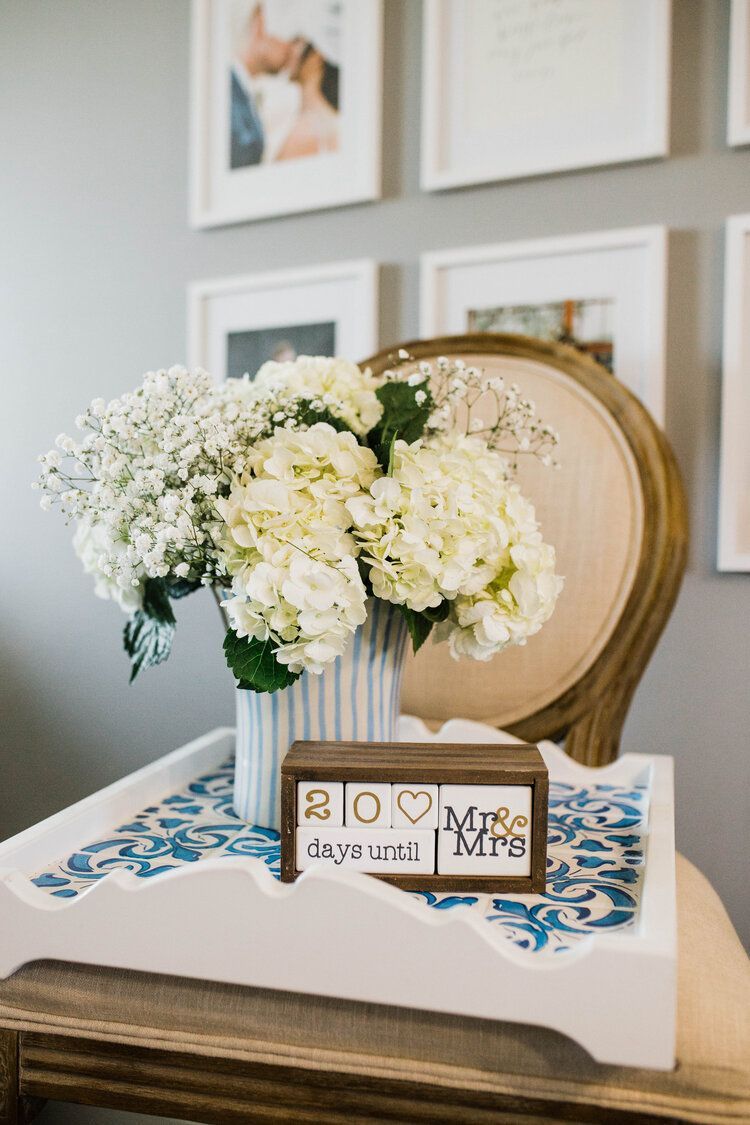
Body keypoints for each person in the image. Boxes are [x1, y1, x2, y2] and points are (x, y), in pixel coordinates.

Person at [230, 4, 293, 168]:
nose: (293, 49)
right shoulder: (226, 97)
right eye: (291, 35)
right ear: (261, 24)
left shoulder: (243, 93)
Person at [275, 37, 340, 160]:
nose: (290, 48)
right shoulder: (322, 118)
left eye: (298, 42)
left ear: (316, 57)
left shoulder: (311, 128)